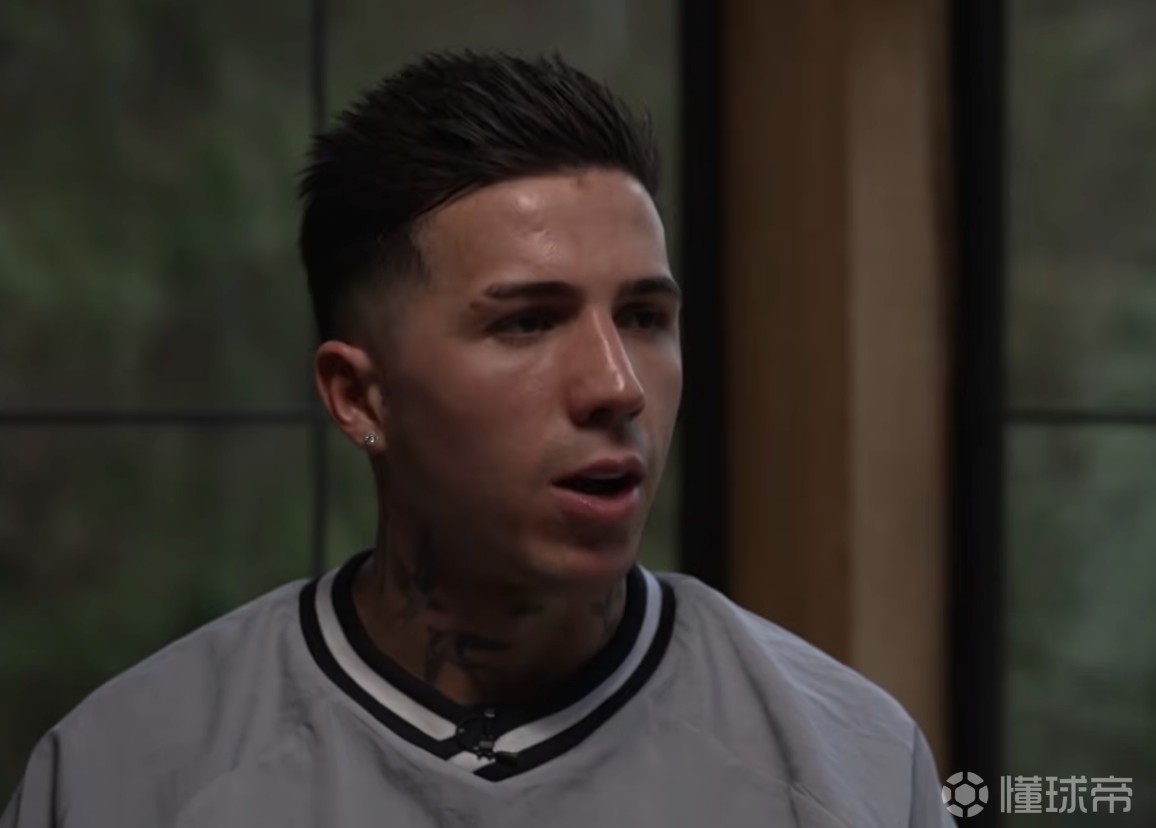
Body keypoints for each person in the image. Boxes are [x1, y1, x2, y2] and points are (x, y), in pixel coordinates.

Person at [1, 51, 952, 827]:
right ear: (357, 396)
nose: (617, 386)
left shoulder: (852, 767)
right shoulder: (128, 776)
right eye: (527, 322)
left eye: (644, 317)